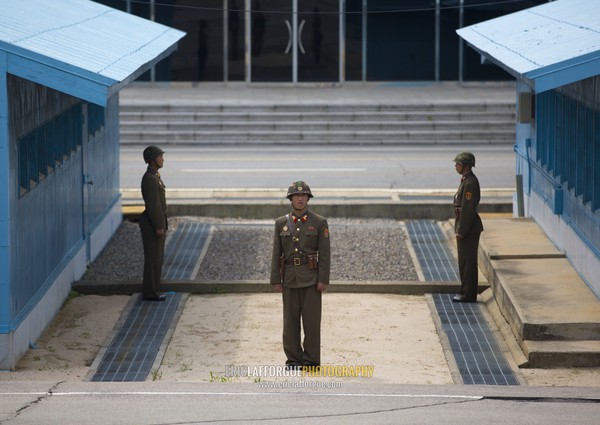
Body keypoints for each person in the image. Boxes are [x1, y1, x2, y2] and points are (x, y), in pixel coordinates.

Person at [270, 181, 331, 369]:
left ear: (308, 198)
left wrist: (323, 279)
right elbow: (276, 252)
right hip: (289, 278)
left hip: (311, 279)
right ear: (290, 199)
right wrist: (275, 280)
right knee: (290, 324)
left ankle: (311, 361)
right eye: (296, 196)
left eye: (303, 195)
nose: (300, 198)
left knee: (312, 324)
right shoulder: (281, 223)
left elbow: (325, 253)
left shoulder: (319, 222)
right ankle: (293, 360)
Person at [452, 152, 483, 303]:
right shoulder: (466, 180)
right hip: (466, 227)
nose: (456, 166)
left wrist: (461, 231)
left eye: (458, 163)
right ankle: (465, 292)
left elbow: (468, 210)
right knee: (464, 262)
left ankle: (468, 294)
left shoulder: (470, 183)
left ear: (466, 165)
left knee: (468, 262)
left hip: (469, 229)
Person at [140, 145, 168, 301]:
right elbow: (153, 205)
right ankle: (150, 292)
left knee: (157, 258)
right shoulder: (150, 179)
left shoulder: (154, 176)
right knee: (152, 260)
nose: (162, 159)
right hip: (152, 225)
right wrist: (159, 226)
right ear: (152, 160)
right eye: (160, 157)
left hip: (156, 224)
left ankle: (154, 290)